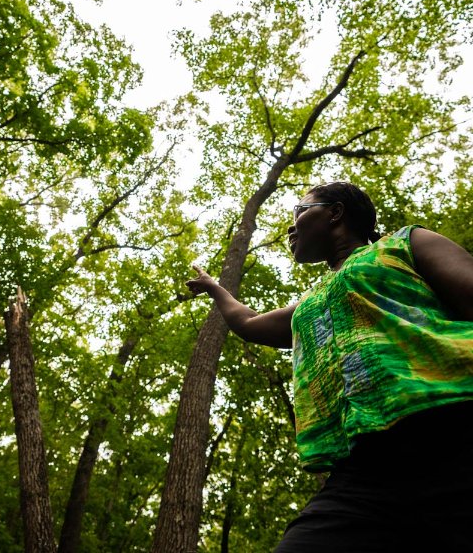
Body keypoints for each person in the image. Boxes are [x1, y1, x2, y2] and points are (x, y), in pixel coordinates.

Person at [186, 181, 473, 553]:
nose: (291, 227)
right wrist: (215, 288)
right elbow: (249, 323)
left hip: (455, 434)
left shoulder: (405, 244)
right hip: (360, 473)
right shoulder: (310, 303)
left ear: (335, 212)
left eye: (299, 212)